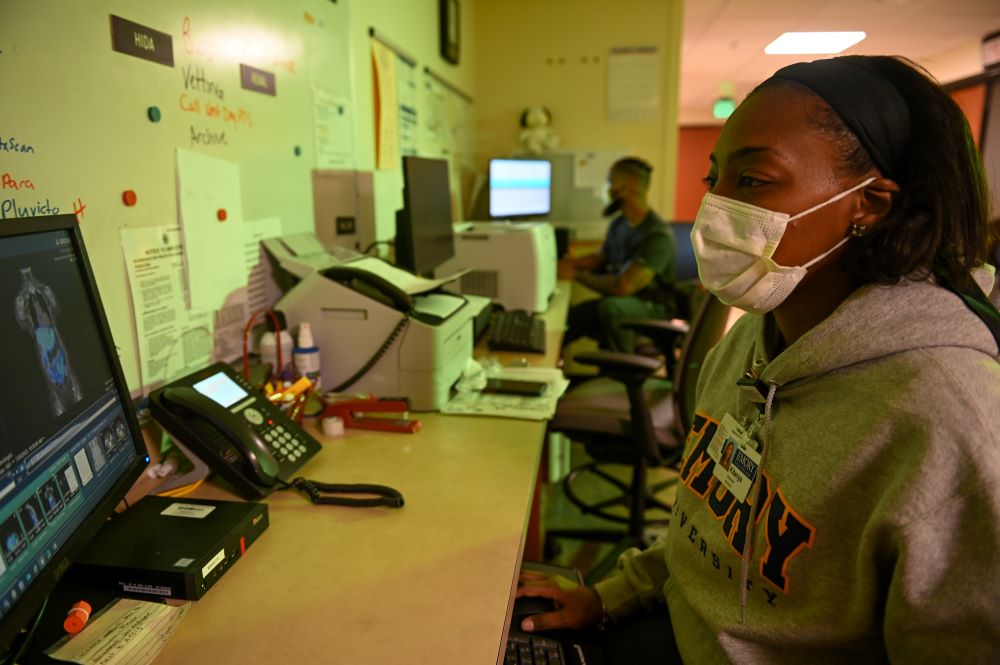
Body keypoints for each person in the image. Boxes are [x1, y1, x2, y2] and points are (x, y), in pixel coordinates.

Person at [518, 55, 1000, 664]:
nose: (711, 211)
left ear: (870, 203)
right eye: (713, 180)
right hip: (669, 627)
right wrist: (615, 593)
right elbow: (707, 527)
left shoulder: (952, 421)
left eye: (751, 182)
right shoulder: (753, 342)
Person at [559, 157, 679, 353]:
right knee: (571, 318)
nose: (607, 189)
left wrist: (576, 275)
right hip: (625, 301)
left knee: (610, 307)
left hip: (653, 307)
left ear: (627, 187)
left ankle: (622, 369)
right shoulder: (619, 224)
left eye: (611, 183)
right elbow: (599, 258)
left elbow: (623, 286)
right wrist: (566, 263)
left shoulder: (658, 235)